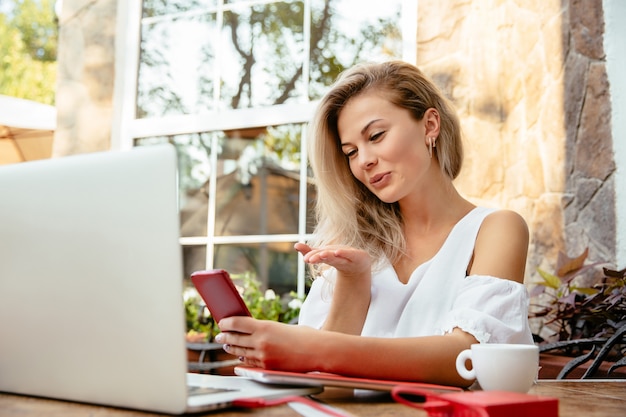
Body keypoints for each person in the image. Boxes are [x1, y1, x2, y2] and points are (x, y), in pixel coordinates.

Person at [215, 60, 533, 387]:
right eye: (350, 152)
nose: (364, 160)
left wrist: (310, 347)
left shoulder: (495, 229)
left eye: (376, 135)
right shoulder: (348, 242)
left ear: (430, 125)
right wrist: (353, 284)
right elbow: (328, 391)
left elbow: (468, 358)